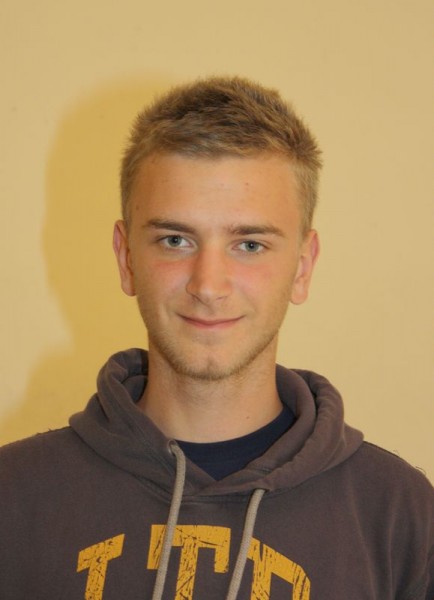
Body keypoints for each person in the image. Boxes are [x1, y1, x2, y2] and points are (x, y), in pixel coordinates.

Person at [0, 77, 433, 600]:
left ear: (302, 267)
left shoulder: (399, 516)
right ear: (126, 258)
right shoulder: (14, 497)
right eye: (175, 240)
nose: (208, 286)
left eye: (249, 244)